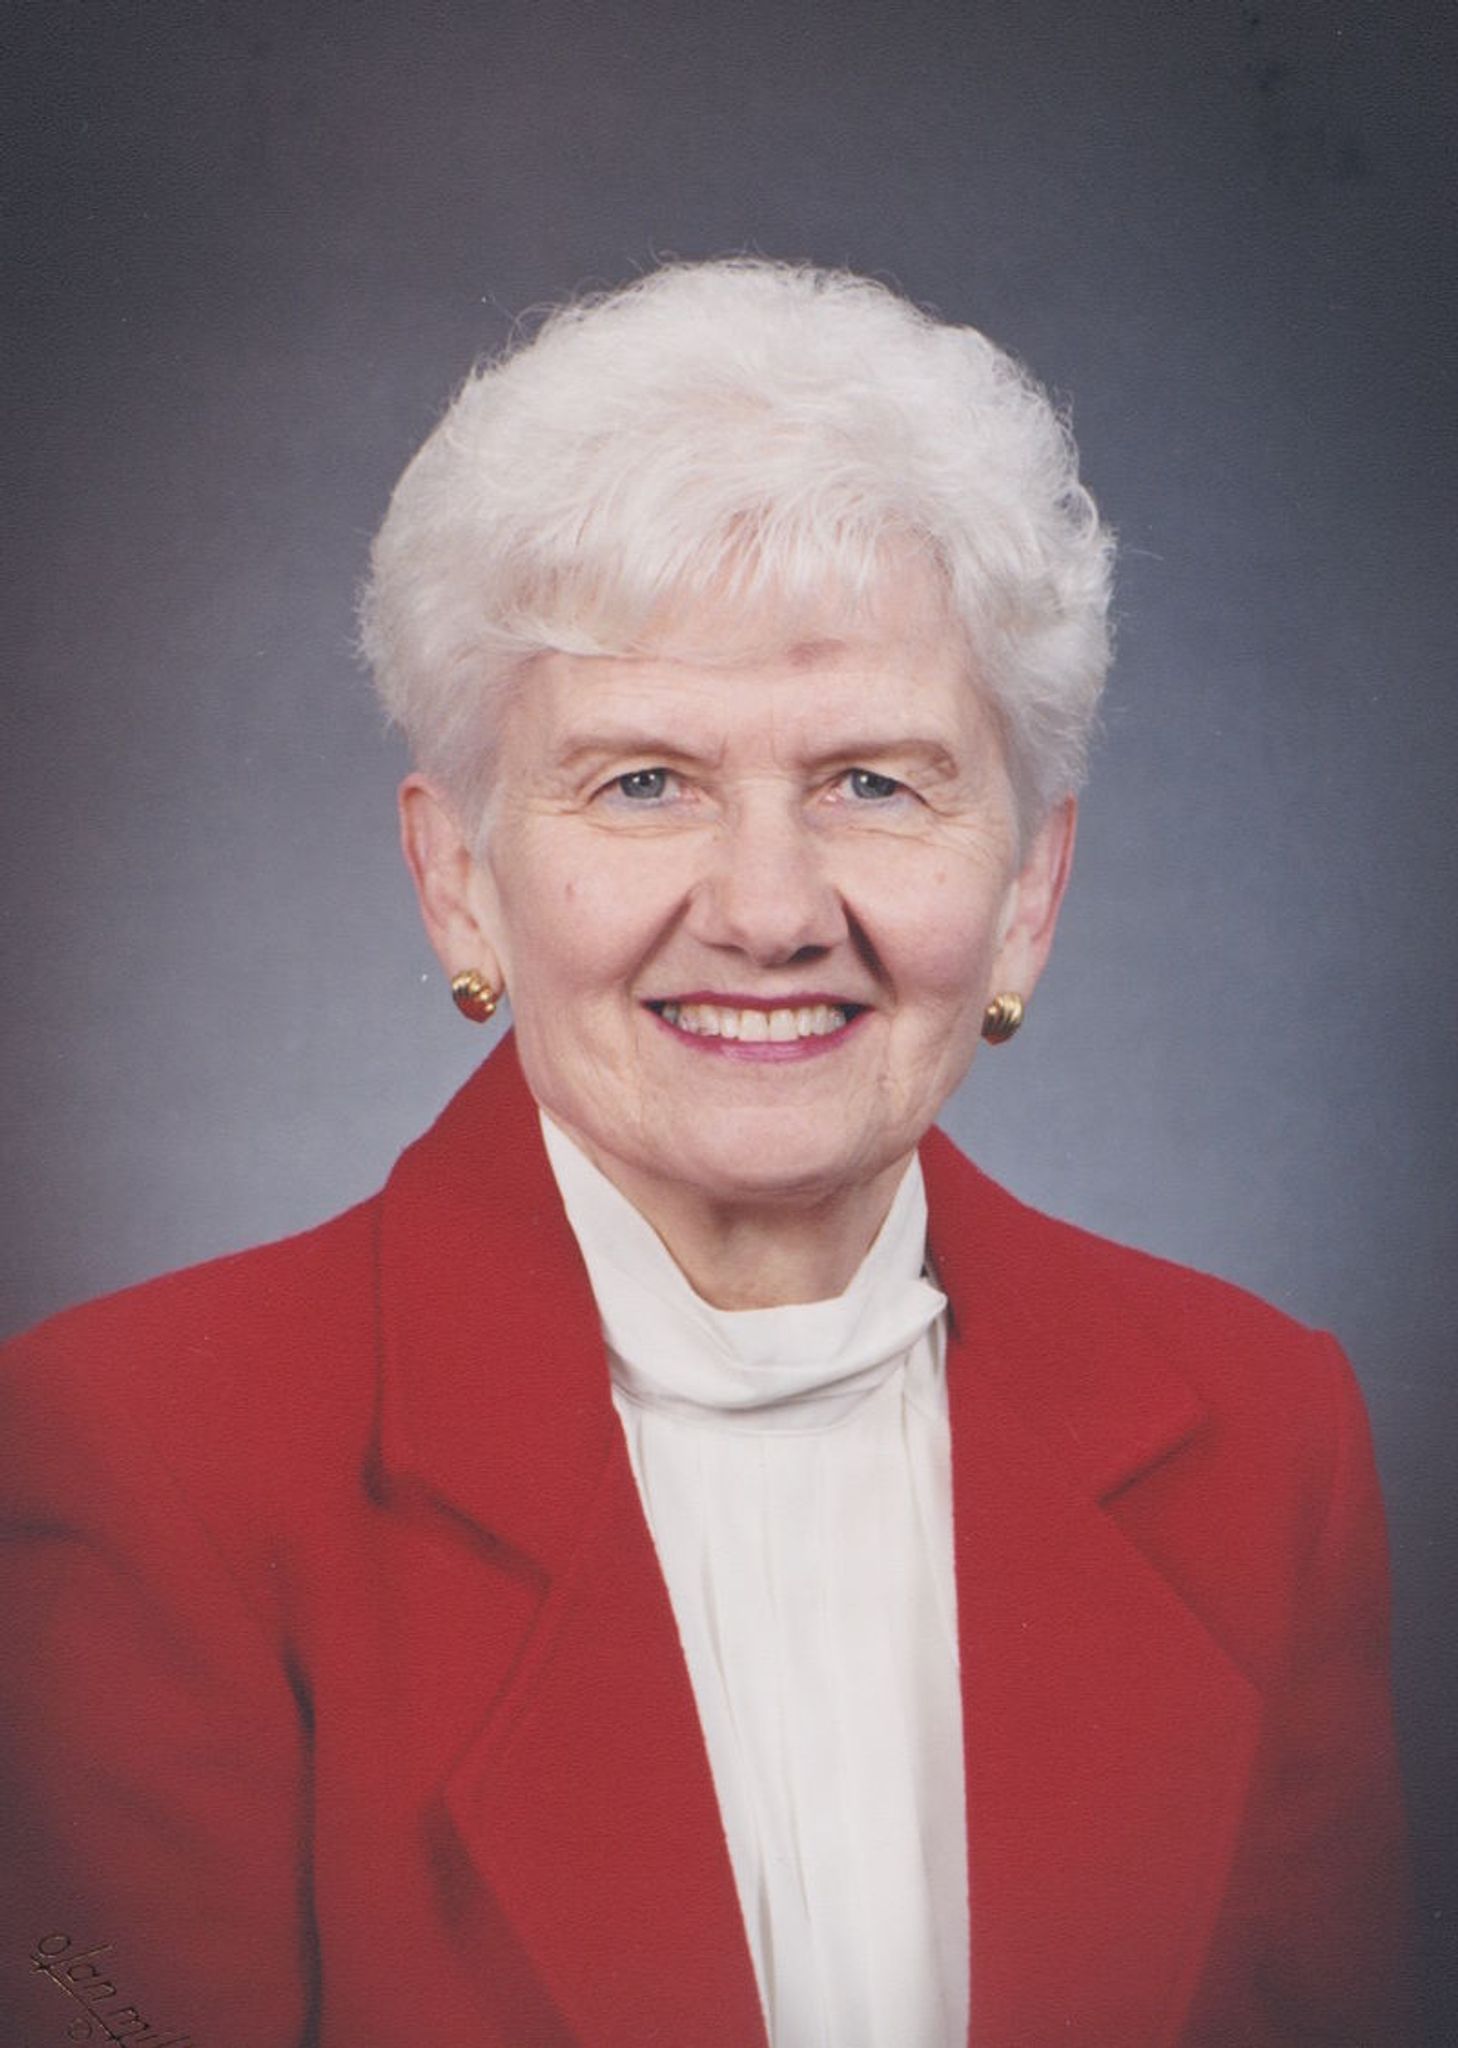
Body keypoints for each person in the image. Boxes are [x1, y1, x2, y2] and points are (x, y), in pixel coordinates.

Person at [0, 260, 1411, 2048]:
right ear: (459, 880)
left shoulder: (1265, 1439)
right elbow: (87, 2004)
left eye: (873, 782)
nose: (766, 910)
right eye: (643, 782)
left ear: (1029, 891)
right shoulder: (142, 1456)